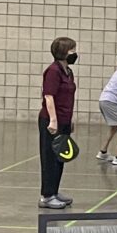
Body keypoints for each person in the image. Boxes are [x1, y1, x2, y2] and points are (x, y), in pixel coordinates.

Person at [38, 36, 78, 210]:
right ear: (62, 52)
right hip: (50, 121)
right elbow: (49, 96)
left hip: (64, 120)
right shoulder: (53, 71)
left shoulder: (68, 72)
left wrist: (70, 120)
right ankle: (46, 196)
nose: (75, 53)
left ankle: (54, 191)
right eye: (72, 50)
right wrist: (53, 120)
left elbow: (68, 98)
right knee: (49, 158)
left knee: (60, 157)